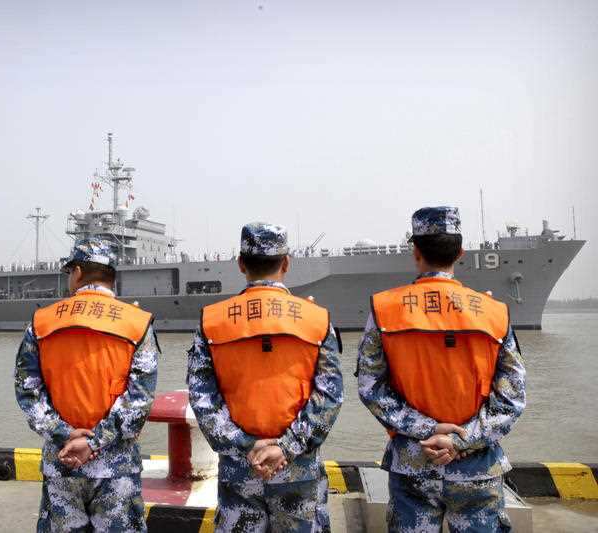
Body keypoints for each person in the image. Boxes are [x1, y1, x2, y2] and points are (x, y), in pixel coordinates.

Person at [357, 206, 526, 532]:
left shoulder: (384, 310)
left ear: (415, 252)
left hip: (413, 463)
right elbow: (513, 398)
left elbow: (371, 387)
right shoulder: (495, 313)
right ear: (461, 252)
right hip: (477, 466)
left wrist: (425, 428)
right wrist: (461, 440)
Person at [187, 222, 344, 532]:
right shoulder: (317, 319)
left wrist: (247, 446)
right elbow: (330, 396)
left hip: (241, 470)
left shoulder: (212, 321)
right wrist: (286, 447)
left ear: (241, 264)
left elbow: (202, 397)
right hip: (299, 469)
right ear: (286, 263)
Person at [14, 237, 160, 532]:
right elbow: (139, 400)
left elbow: (27, 389)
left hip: (62, 463)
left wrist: (64, 433)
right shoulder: (137, 323)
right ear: (112, 277)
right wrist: (94, 442)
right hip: (116, 467)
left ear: (77, 273)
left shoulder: (41, 323)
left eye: (70, 272)